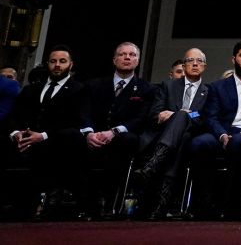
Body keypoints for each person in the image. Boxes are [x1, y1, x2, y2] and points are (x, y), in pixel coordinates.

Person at [191, 41, 241, 218]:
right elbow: (210, 116)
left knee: (240, 143)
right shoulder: (217, 86)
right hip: (222, 131)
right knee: (199, 143)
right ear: (234, 59)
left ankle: (232, 205)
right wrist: (221, 134)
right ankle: (203, 203)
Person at [6, 46, 87, 218]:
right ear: (47, 64)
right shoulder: (31, 89)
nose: (57, 65)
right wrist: (16, 133)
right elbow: (15, 115)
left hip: (55, 141)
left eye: (62, 61)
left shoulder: (79, 90)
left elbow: (75, 120)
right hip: (25, 139)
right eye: (53, 61)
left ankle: (49, 200)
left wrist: (42, 136)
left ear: (71, 65)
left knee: (70, 137)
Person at [134, 48, 210, 218]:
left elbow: (203, 115)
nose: (195, 64)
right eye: (190, 60)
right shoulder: (168, 85)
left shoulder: (209, 91)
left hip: (192, 133)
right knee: (181, 138)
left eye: (199, 61)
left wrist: (182, 114)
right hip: (163, 134)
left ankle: (152, 165)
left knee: (183, 120)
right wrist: (164, 115)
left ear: (205, 66)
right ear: (184, 65)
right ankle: (161, 205)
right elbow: (156, 112)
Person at [81, 41, 152, 217]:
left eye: (132, 55)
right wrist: (89, 133)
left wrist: (114, 131)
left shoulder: (146, 89)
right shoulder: (93, 85)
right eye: (122, 54)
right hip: (94, 135)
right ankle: (79, 201)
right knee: (72, 138)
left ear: (137, 61)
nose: (127, 57)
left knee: (126, 140)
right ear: (114, 60)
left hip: (123, 138)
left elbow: (141, 118)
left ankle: (109, 199)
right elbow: (84, 112)